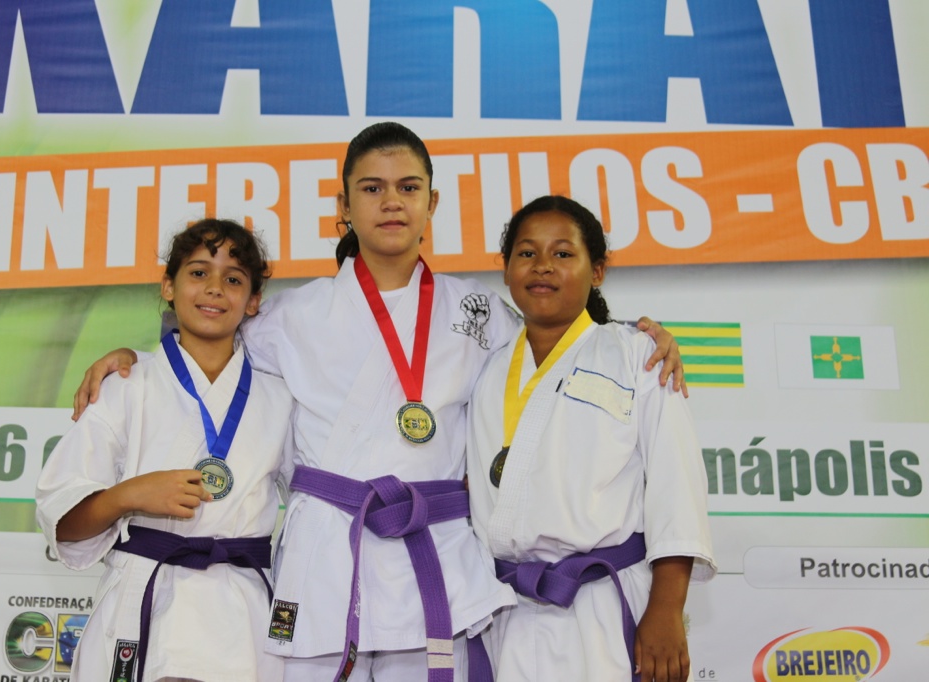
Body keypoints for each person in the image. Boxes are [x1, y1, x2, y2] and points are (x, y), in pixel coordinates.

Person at [72, 123, 685, 682]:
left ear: (432, 204)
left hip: (435, 553)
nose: (391, 201)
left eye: (408, 187)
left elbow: (554, 342)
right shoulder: (291, 316)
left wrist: (633, 336)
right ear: (343, 207)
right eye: (372, 188)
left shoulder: (478, 312)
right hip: (325, 556)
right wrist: (135, 356)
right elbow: (210, 350)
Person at [466, 196, 716, 682]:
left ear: (597, 271)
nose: (543, 265)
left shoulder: (638, 356)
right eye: (526, 253)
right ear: (505, 269)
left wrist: (666, 609)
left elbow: (677, 488)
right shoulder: (484, 367)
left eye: (563, 253)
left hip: (602, 602)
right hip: (504, 605)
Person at [37, 219, 292, 682]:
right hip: (145, 602)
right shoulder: (125, 386)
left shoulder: (280, 398)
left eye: (234, 279)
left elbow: (313, 504)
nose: (214, 288)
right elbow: (64, 523)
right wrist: (128, 495)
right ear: (168, 286)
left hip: (243, 616)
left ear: (253, 301)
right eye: (198, 273)